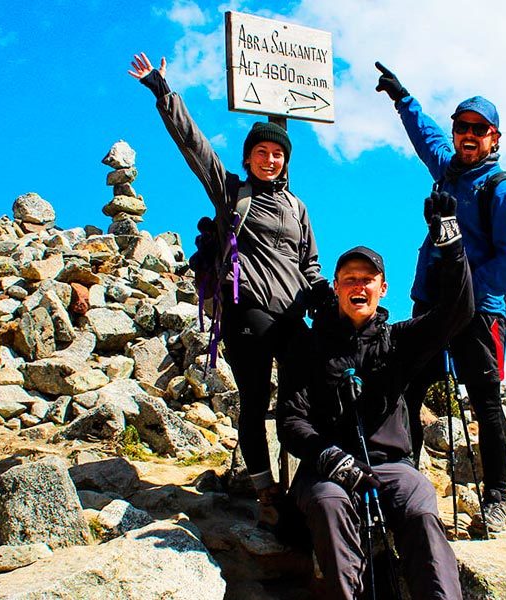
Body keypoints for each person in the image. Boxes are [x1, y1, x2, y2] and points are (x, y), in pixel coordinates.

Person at [128, 52, 329, 522]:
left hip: (292, 316)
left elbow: (311, 264)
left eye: (278, 154)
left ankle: (305, 483)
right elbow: (195, 148)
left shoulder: (298, 208)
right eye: (261, 152)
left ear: (285, 162)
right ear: (248, 157)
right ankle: (266, 492)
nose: (270, 158)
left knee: (303, 397)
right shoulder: (230, 192)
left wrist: (321, 292)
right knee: (256, 401)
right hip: (247, 313)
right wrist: (163, 92)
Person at [277, 192, 470, 600]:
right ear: (336, 287)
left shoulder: (399, 340)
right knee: (329, 506)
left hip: (391, 466)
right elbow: (292, 421)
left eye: (367, 279)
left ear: (383, 288)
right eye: (349, 278)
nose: (358, 285)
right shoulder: (307, 346)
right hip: (325, 470)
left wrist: (449, 240)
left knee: (419, 505)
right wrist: (332, 459)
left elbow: (458, 309)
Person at [374, 62, 506, 533]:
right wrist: (403, 98)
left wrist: (466, 292)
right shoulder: (448, 169)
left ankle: (496, 502)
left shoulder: (504, 192)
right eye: (461, 127)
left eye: (478, 130)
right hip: (431, 305)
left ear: (494, 138)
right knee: (409, 391)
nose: (467, 135)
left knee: (485, 402)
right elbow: (425, 137)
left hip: (479, 313)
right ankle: (408, 483)